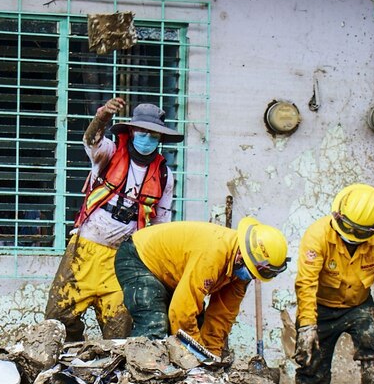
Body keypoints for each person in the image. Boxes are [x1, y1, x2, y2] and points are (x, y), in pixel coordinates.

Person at [43, 97, 183, 342]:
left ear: (160, 138)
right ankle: (68, 360)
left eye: (154, 135)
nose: (147, 138)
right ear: (131, 131)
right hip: (85, 249)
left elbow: (161, 221)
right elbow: (90, 140)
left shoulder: (164, 175)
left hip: (124, 259)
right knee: (59, 317)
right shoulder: (109, 152)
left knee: (119, 329)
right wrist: (102, 116)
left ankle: (111, 376)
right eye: (143, 132)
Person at [291, 183, 374, 384]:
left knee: (373, 337)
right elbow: (307, 283)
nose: (351, 235)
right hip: (321, 307)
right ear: (338, 215)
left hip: (358, 305)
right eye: (348, 228)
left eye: (358, 232)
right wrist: (307, 326)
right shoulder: (317, 235)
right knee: (311, 359)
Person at [114, 217, 290, 356]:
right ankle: (136, 382)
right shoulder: (213, 255)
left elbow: (221, 316)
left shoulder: (242, 270)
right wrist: (197, 356)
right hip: (139, 257)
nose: (251, 277)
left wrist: (211, 356)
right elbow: (181, 313)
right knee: (155, 325)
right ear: (241, 256)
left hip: (172, 273)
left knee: (197, 324)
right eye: (253, 271)